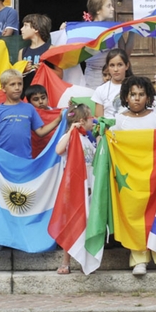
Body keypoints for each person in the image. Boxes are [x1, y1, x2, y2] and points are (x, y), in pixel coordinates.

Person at [111, 76, 156, 279]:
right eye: (133, 95)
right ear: (126, 97)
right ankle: (139, 259)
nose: (137, 99)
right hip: (130, 180)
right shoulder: (121, 119)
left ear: (148, 96)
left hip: (155, 176)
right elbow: (113, 142)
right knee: (135, 216)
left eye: (141, 94)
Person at [0, 69, 62, 159]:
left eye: (20, 84)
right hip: (1, 159)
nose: (17, 88)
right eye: (12, 84)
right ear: (3, 88)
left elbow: (41, 132)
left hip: (24, 158)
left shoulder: (29, 108)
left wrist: (59, 119)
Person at [54, 103, 96, 274]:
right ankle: (66, 261)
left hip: (89, 188)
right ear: (81, 120)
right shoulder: (70, 137)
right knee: (71, 223)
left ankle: (86, 259)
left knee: (88, 223)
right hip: (73, 188)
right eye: (90, 116)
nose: (93, 119)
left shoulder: (89, 138)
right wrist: (71, 130)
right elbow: (58, 150)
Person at [80, 0, 135, 89]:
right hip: (94, 77)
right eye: (108, 6)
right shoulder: (85, 30)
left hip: (113, 75)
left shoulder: (114, 29)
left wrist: (133, 32)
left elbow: (124, 54)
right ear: (98, 10)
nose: (112, 9)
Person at [18, 13, 62, 90]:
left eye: (25, 25)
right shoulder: (22, 52)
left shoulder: (51, 49)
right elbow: (17, 77)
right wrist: (23, 70)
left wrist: (44, 69)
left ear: (36, 29)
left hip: (45, 93)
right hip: (26, 94)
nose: (21, 29)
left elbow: (60, 75)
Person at [91, 48, 132, 118]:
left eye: (119, 65)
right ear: (108, 67)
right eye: (112, 65)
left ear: (127, 66)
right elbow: (99, 118)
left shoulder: (135, 87)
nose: (116, 69)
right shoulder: (101, 90)